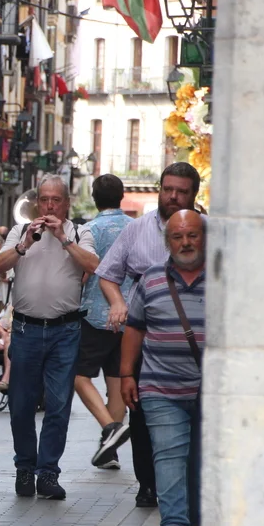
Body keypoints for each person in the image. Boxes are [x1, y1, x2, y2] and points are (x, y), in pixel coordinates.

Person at [96, 162, 205, 508]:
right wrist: (118, 303)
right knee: (142, 414)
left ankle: (188, 491)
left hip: (198, 347)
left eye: (181, 191)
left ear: (193, 194)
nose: (172, 196)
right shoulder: (136, 230)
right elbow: (107, 274)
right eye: (167, 189)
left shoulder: (208, 232)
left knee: (197, 422)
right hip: (144, 339)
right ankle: (148, 484)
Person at [0, 175, 99, 501]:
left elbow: (93, 265)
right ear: (37, 203)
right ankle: (25, 466)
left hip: (65, 331)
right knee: (21, 404)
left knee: (59, 404)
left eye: (56, 200)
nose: (50, 206)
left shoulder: (80, 232)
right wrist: (24, 245)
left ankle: (48, 472)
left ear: (66, 204)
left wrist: (63, 238)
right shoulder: (20, 231)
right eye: (45, 200)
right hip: (26, 329)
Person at [120, 210, 205, 526]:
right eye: (177, 236)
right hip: (160, 385)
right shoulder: (151, 279)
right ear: (167, 242)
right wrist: (127, 373)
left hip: (212, 390)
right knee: (168, 455)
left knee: (203, 459)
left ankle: (199, 525)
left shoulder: (225, 278)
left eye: (192, 235)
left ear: (204, 238)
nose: (185, 243)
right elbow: (135, 327)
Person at [73, 174, 133, 470]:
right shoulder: (136, 228)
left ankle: (110, 428)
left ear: (95, 199)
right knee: (118, 381)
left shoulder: (89, 230)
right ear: (121, 197)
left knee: (77, 375)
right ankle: (110, 451)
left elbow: (83, 272)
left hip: (95, 315)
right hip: (130, 317)